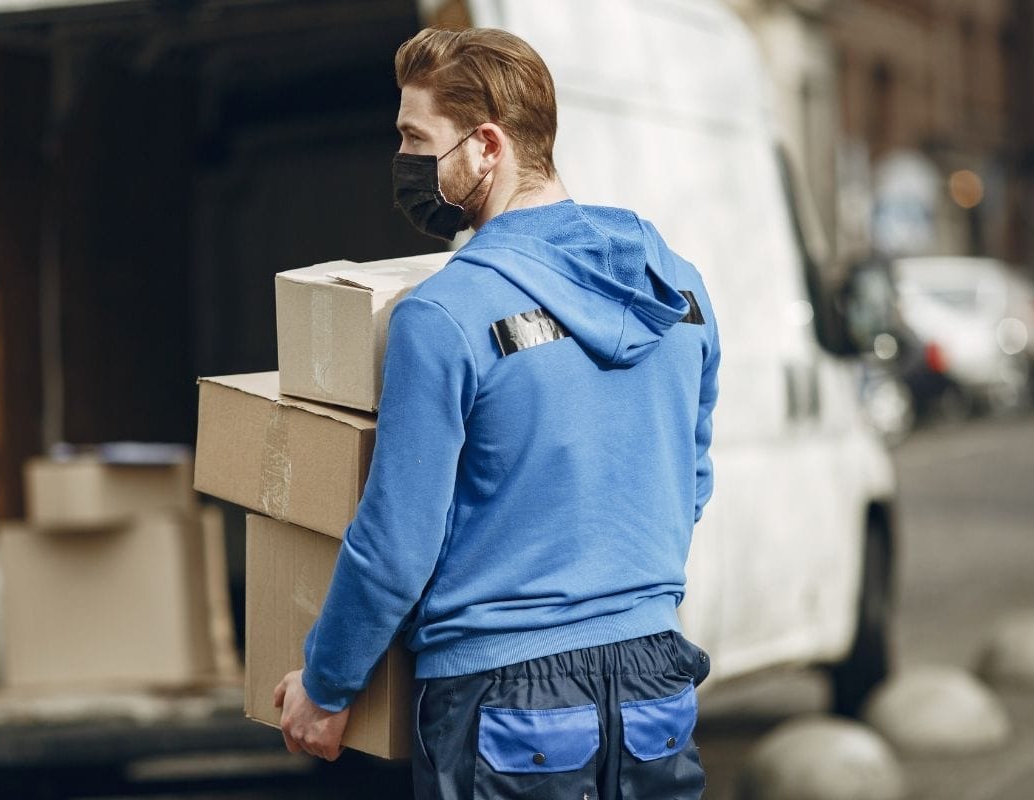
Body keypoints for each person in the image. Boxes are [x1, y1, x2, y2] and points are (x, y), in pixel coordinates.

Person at [272, 25, 721, 799]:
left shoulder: (444, 313)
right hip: (657, 685)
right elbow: (693, 481)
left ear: (486, 146)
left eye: (417, 138)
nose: (407, 161)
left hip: (505, 704)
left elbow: (396, 543)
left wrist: (327, 683)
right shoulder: (678, 292)